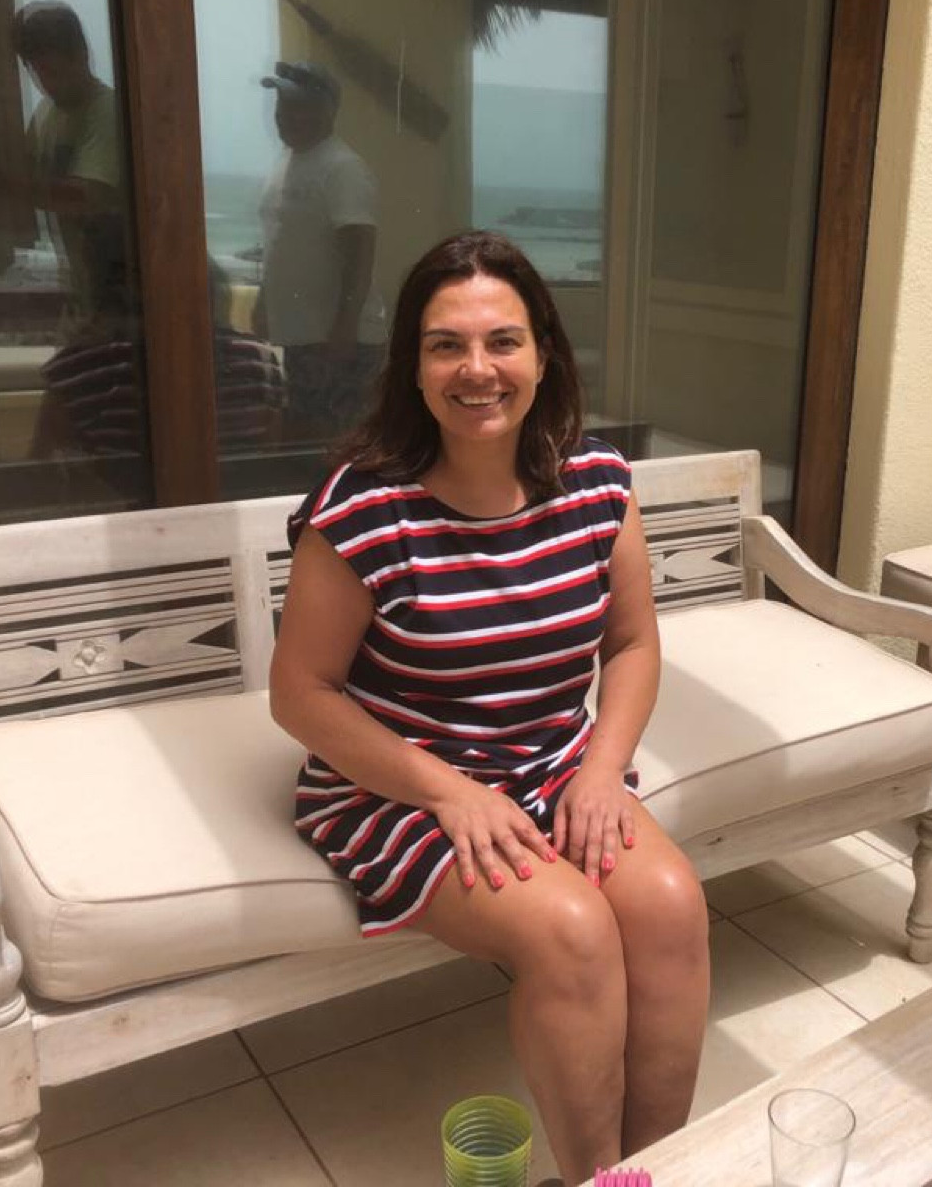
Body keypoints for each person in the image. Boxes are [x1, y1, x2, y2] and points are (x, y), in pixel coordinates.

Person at [269, 231, 709, 1183]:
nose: (478, 369)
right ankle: (597, 1176)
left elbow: (632, 644)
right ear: (413, 365)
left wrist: (601, 771)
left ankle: (653, 1172)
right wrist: (450, 793)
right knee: (570, 931)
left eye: (503, 341)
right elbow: (299, 694)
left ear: (543, 354)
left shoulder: (596, 482)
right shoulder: (364, 508)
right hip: (397, 787)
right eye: (447, 345)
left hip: (555, 768)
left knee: (671, 906)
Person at [255, 61, 387, 441]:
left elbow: (360, 250)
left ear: (327, 111)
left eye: (297, 105)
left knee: (335, 445)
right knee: (306, 440)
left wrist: (345, 326)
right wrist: (264, 300)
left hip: (338, 340)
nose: (285, 115)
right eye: (281, 104)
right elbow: (281, 240)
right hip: (303, 338)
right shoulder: (288, 163)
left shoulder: (342, 168)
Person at [11, 1, 133, 345]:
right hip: (85, 295)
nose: (47, 84)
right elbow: (22, 175)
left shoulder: (107, 112)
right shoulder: (46, 115)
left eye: (54, 71)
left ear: (82, 55)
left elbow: (84, 196)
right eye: (38, 73)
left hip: (123, 300)